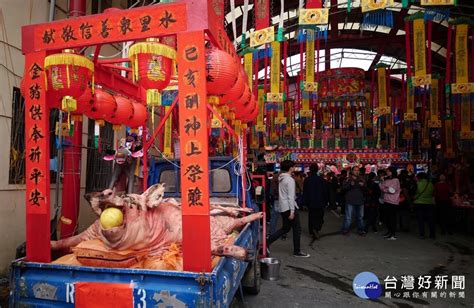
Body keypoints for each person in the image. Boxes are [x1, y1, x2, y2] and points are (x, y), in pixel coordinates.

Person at [267, 160, 310, 257]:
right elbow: (291, 197)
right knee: (296, 229)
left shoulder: (281, 178)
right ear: (290, 168)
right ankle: (297, 251)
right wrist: (292, 211)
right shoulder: (289, 180)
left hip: (283, 207)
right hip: (289, 208)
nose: (294, 168)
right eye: (294, 167)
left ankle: (267, 241)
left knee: (285, 228)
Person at [303, 164, 328, 239]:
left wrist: (305, 202)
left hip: (310, 201)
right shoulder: (322, 180)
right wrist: (326, 201)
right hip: (320, 201)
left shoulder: (307, 180)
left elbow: (305, 192)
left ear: (310, 170)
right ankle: (316, 228)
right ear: (317, 170)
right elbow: (325, 191)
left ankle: (312, 231)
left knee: (311, 216)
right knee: (320, 216)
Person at [341, 166, 366, 235]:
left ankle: (361, 230)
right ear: (352, 171)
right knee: (348, 217)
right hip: (350, 201)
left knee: (360, 217)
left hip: (360, 201)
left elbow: (366, 190)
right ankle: (345, 230)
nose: (357, 171)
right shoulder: (348, 179)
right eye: (355, 170)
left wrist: (363, 186)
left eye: (358, 170)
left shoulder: (362, 179)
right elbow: (343, 188)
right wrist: (350, 185)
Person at [379, 167, 401, 240]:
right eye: (387, 171)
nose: (387, 173)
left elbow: (391, 190)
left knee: (392, 218)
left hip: (393, 202)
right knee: (387, 218)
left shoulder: (395, 180)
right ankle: (389, 232)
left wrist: (384, 188)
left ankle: (393, 234)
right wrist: (383, 184)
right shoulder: (387, 179)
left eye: (388, 171)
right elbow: (382, 188)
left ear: (392, 172)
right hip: (386, 200)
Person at [413, 172, 435, 239]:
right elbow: (432, 193)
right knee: (430, 219)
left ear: (419, 177)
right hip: (429, 203)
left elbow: (415, 192)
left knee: (420, 219)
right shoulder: (430, 184)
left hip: (419, 203)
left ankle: (422, 234)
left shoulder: (417, 184)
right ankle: (432, 234)